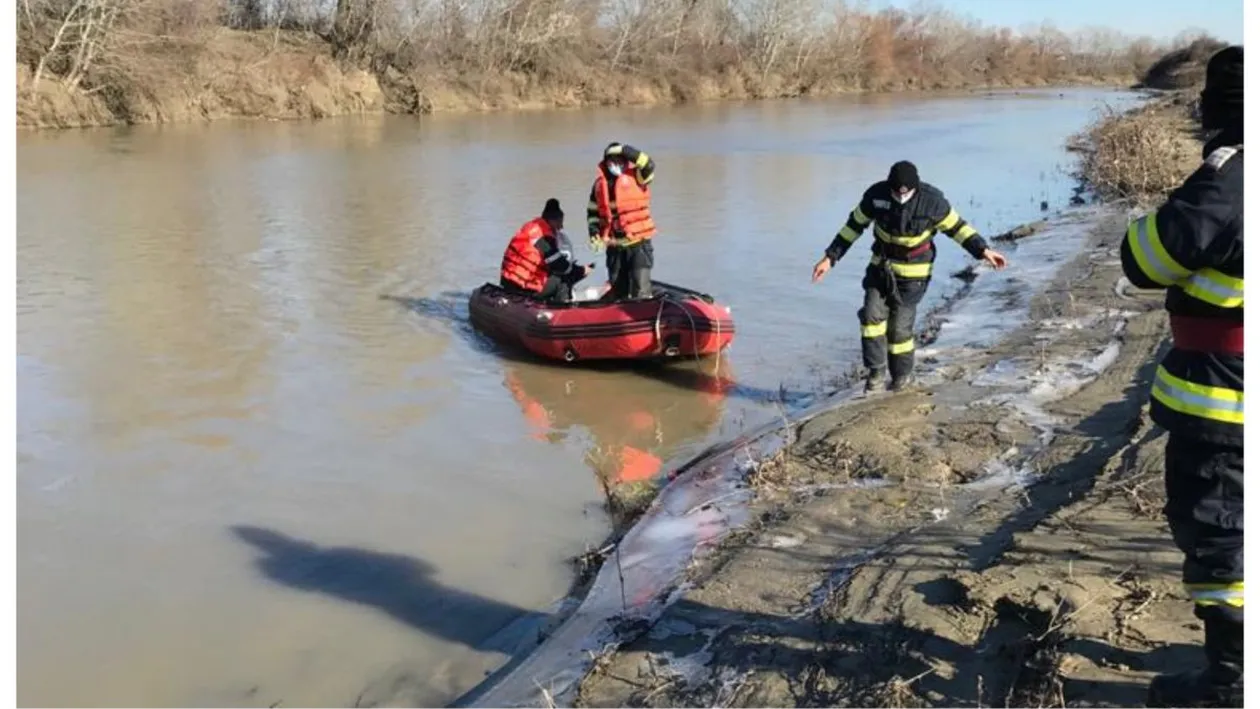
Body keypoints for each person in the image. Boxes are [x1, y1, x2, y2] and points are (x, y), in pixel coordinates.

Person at [1118, 45, 1243, 708]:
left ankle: (1230, 682)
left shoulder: (1230, 181)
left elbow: (1145, 258)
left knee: (1220, 529)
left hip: (1227, 400)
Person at [811, 160, 1008, 393]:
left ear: (915, 187)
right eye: (896, 192)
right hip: (881, 268)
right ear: (890, 186)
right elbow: (853, 227)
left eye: (906, 193)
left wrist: (983, 251)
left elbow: (958, 229)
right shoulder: (876, 196)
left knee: (899, 331)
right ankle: (875, 375)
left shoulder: (933, 202)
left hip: (915, 274)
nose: (901, 197)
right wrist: (829, 258)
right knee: (871, 318)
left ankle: (901, 379)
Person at [587, 141, 658, 300]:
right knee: (618, 291)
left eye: (620, 159)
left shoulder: (638, 177)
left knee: (641, 288)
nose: (616, 164)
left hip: (638, 244)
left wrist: (624, 149)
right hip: (614, 247)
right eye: (613, 160)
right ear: (606, 162)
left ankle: (643, 316)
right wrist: (593, 233)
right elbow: (592, 213)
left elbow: (648, 163)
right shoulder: (599, 185)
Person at [499, 198, 593, 303]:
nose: (561, 227)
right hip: (524, 288)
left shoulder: (530, 227)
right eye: (560, 223)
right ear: (552, 221)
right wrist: (581, 270)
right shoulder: (544, 237)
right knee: (564, 277)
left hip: (507, 282)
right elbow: (560, 266)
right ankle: (561, 307)